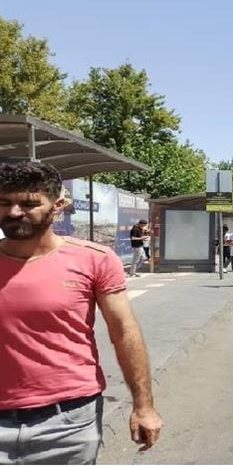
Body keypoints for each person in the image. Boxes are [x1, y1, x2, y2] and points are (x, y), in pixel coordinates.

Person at [0, 161, 163, 464]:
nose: (13, 212)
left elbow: (123, 331)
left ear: (58, 205)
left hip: (69, 422)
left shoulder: (94, 260)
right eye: (4, 203)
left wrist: (144, 406)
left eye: (29, 203)